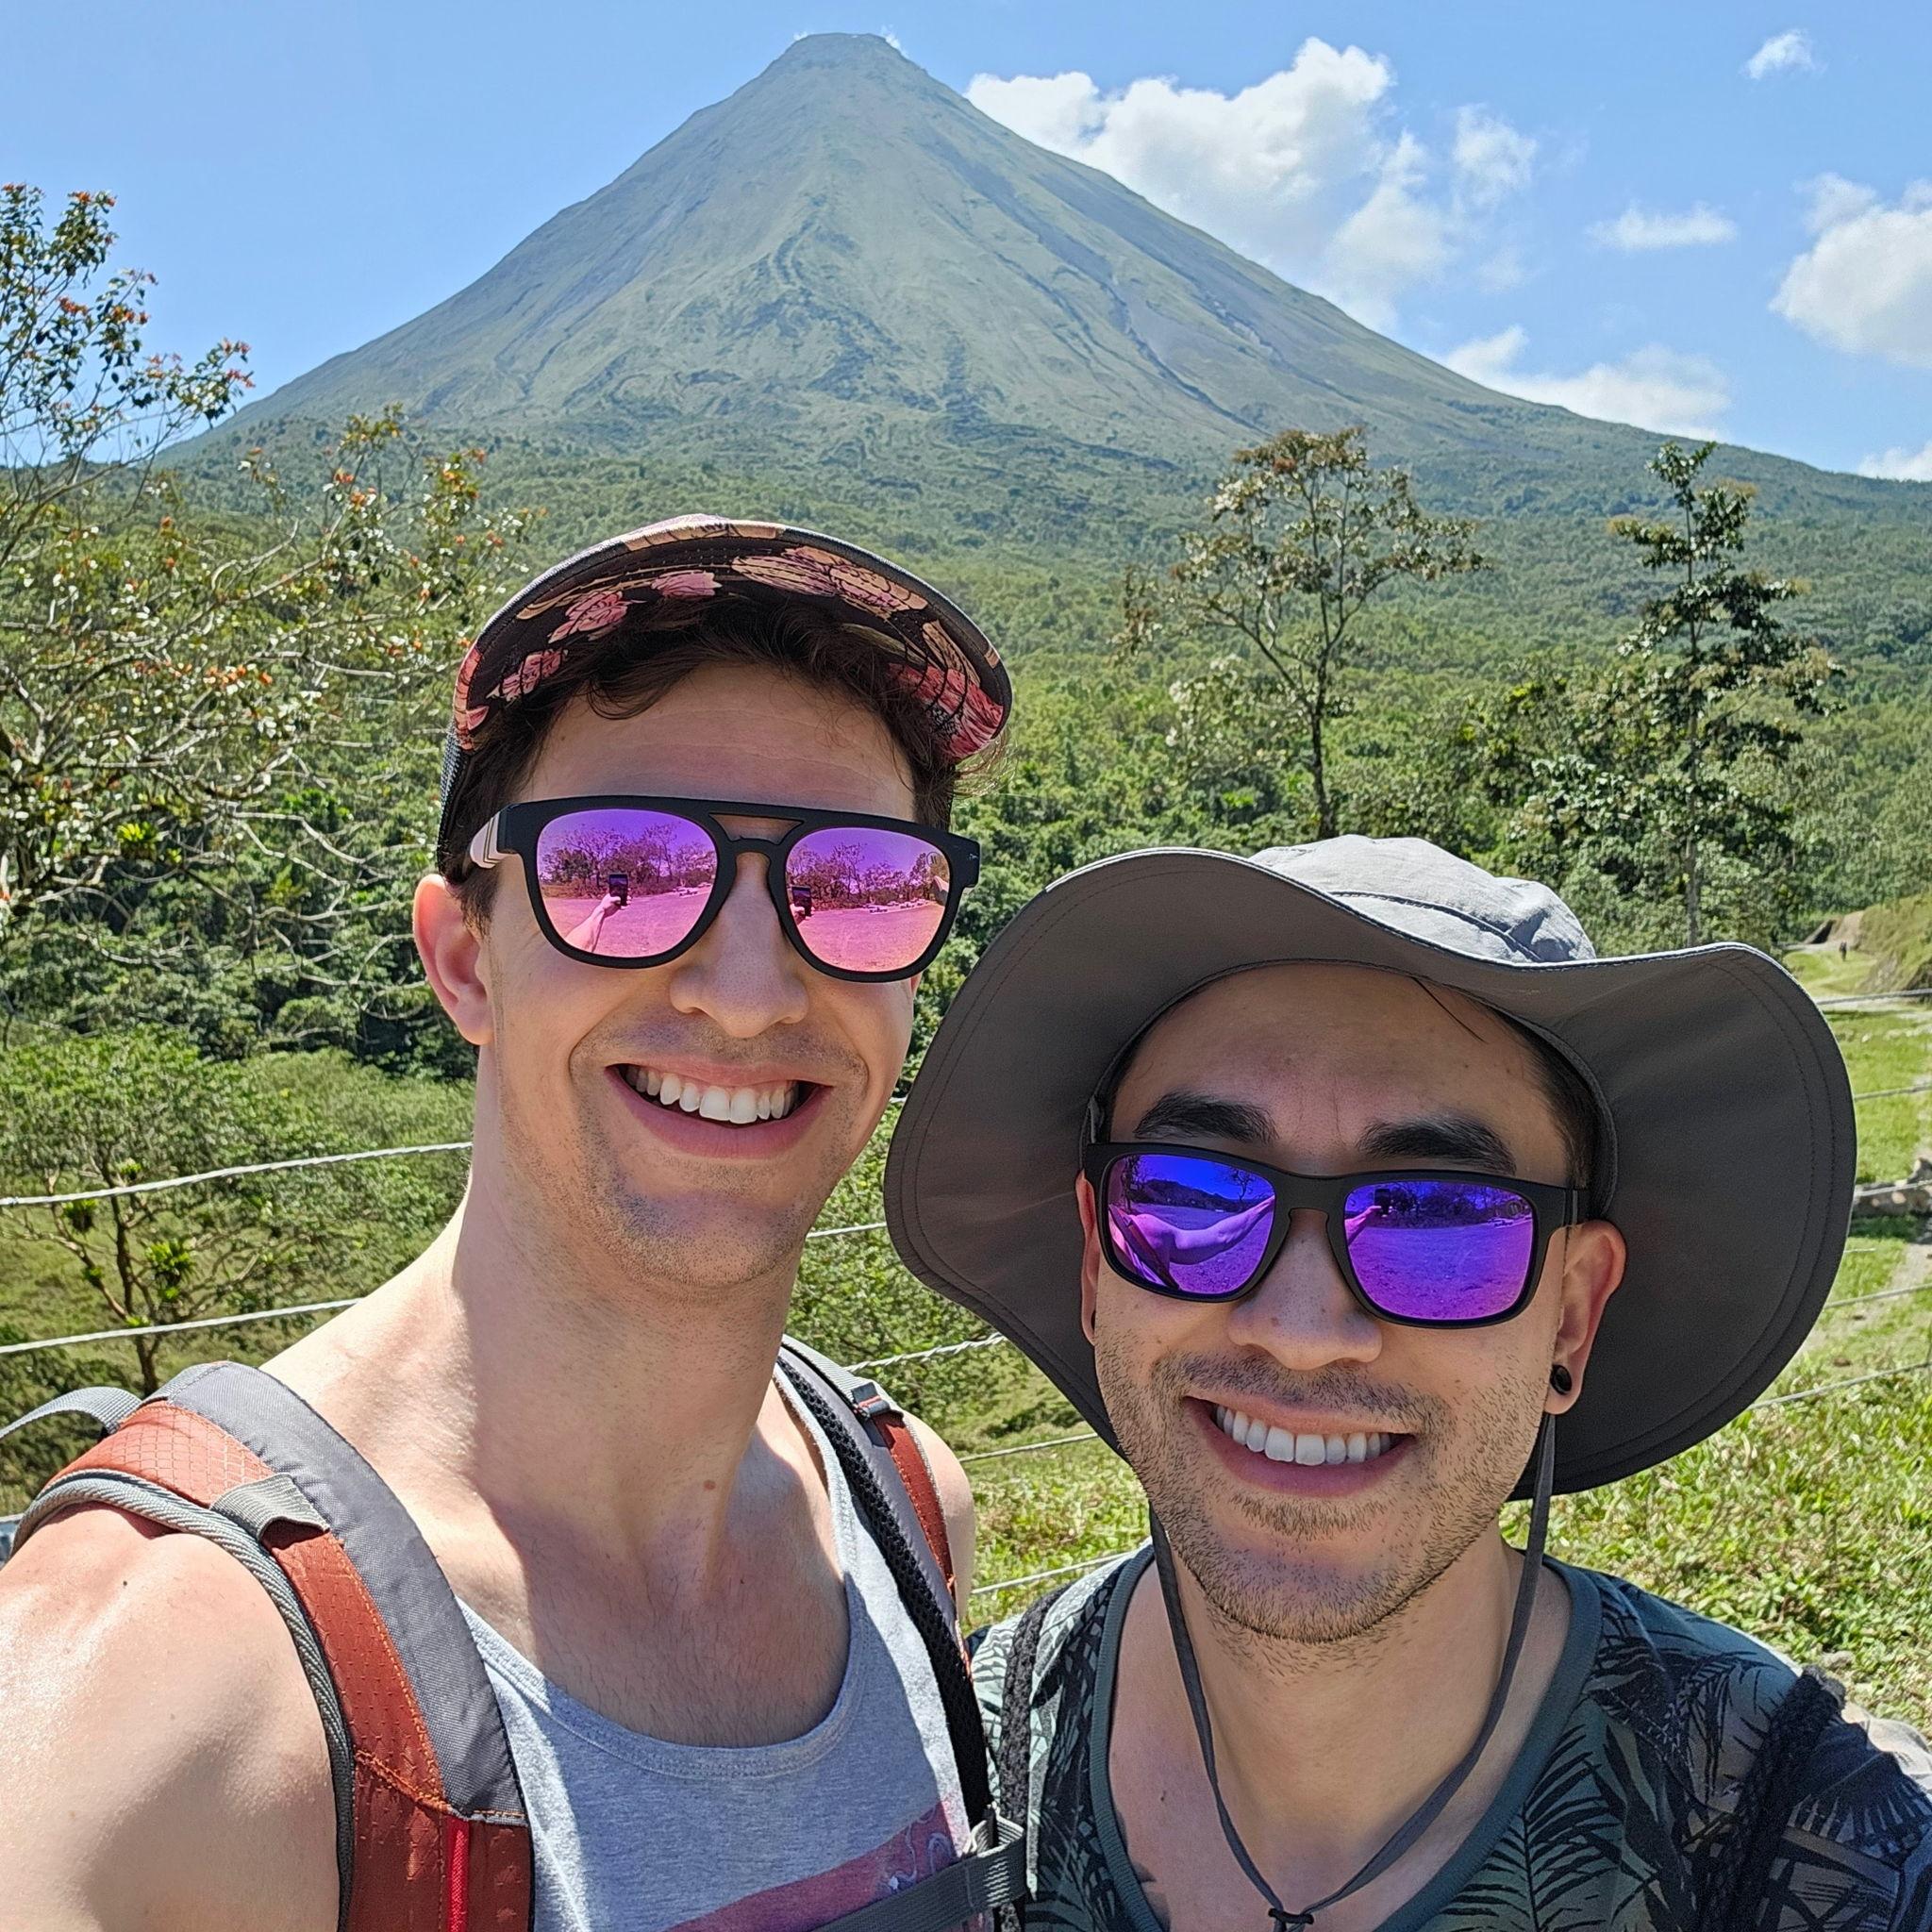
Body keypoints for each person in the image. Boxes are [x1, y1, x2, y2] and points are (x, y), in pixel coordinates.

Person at [0, 516, 1021, 1932]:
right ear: (464, 957)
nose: (744, 992)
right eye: (623, 870)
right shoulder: (171, 1687)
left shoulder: (905, 1510)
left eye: (853, 886)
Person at [887, 836, 1932, 1931]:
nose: (1299, 1332)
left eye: (1436, 1215)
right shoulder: (947, 1777)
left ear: (1569, 1315)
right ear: (1095, 1267)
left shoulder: (1816, 1842)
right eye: (1195, 1194)